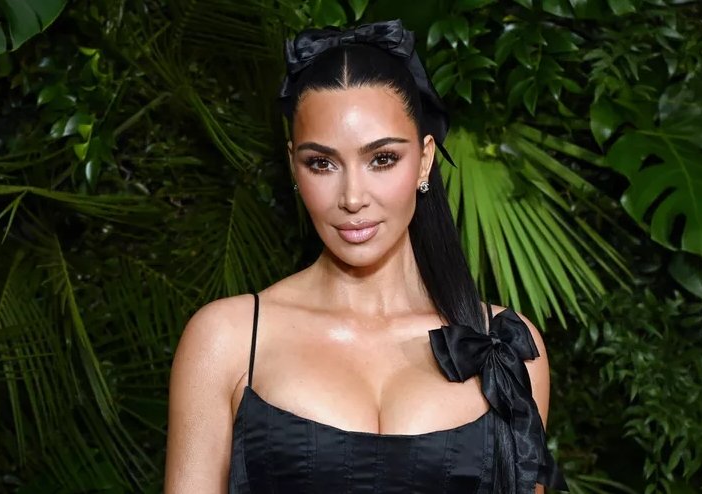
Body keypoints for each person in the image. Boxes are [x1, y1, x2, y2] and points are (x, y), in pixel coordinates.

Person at [164, 19, 568, 494]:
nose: (353, 197)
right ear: (294, 166)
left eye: (382, 159)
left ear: (424, 160)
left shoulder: (507, 346)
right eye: (321, 163)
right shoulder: (227, 339)